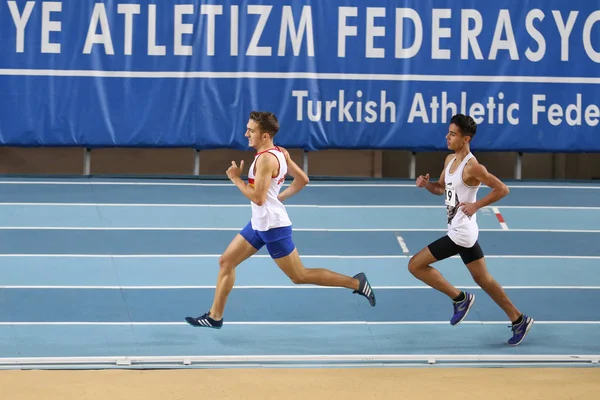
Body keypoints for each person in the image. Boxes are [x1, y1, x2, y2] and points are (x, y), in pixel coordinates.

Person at [185, 111, 376, 329]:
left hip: (273, 227)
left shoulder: (266, 160)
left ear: (265, 135)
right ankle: (215, 316)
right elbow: (302, 180)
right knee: (226, 261)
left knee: (299, 275)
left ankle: (356, 282)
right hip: (259, 223)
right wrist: (277, 198)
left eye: (251, 130)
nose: (246, 133)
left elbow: (257, 198)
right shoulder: (281, 152)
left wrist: (236, 179)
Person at [410, 114, 534, 346]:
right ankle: (519, 319)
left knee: (415, 265)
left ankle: (460, 298)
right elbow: (441, 189)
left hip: (461, 233)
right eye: (448, 132)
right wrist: (427, 185)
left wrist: (477, 205)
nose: (447, 137)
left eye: (453, 134)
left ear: (466, 139)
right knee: (483, 279)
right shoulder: (449, 160)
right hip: (462, 229)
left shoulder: (474, 167)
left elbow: (502, 189)